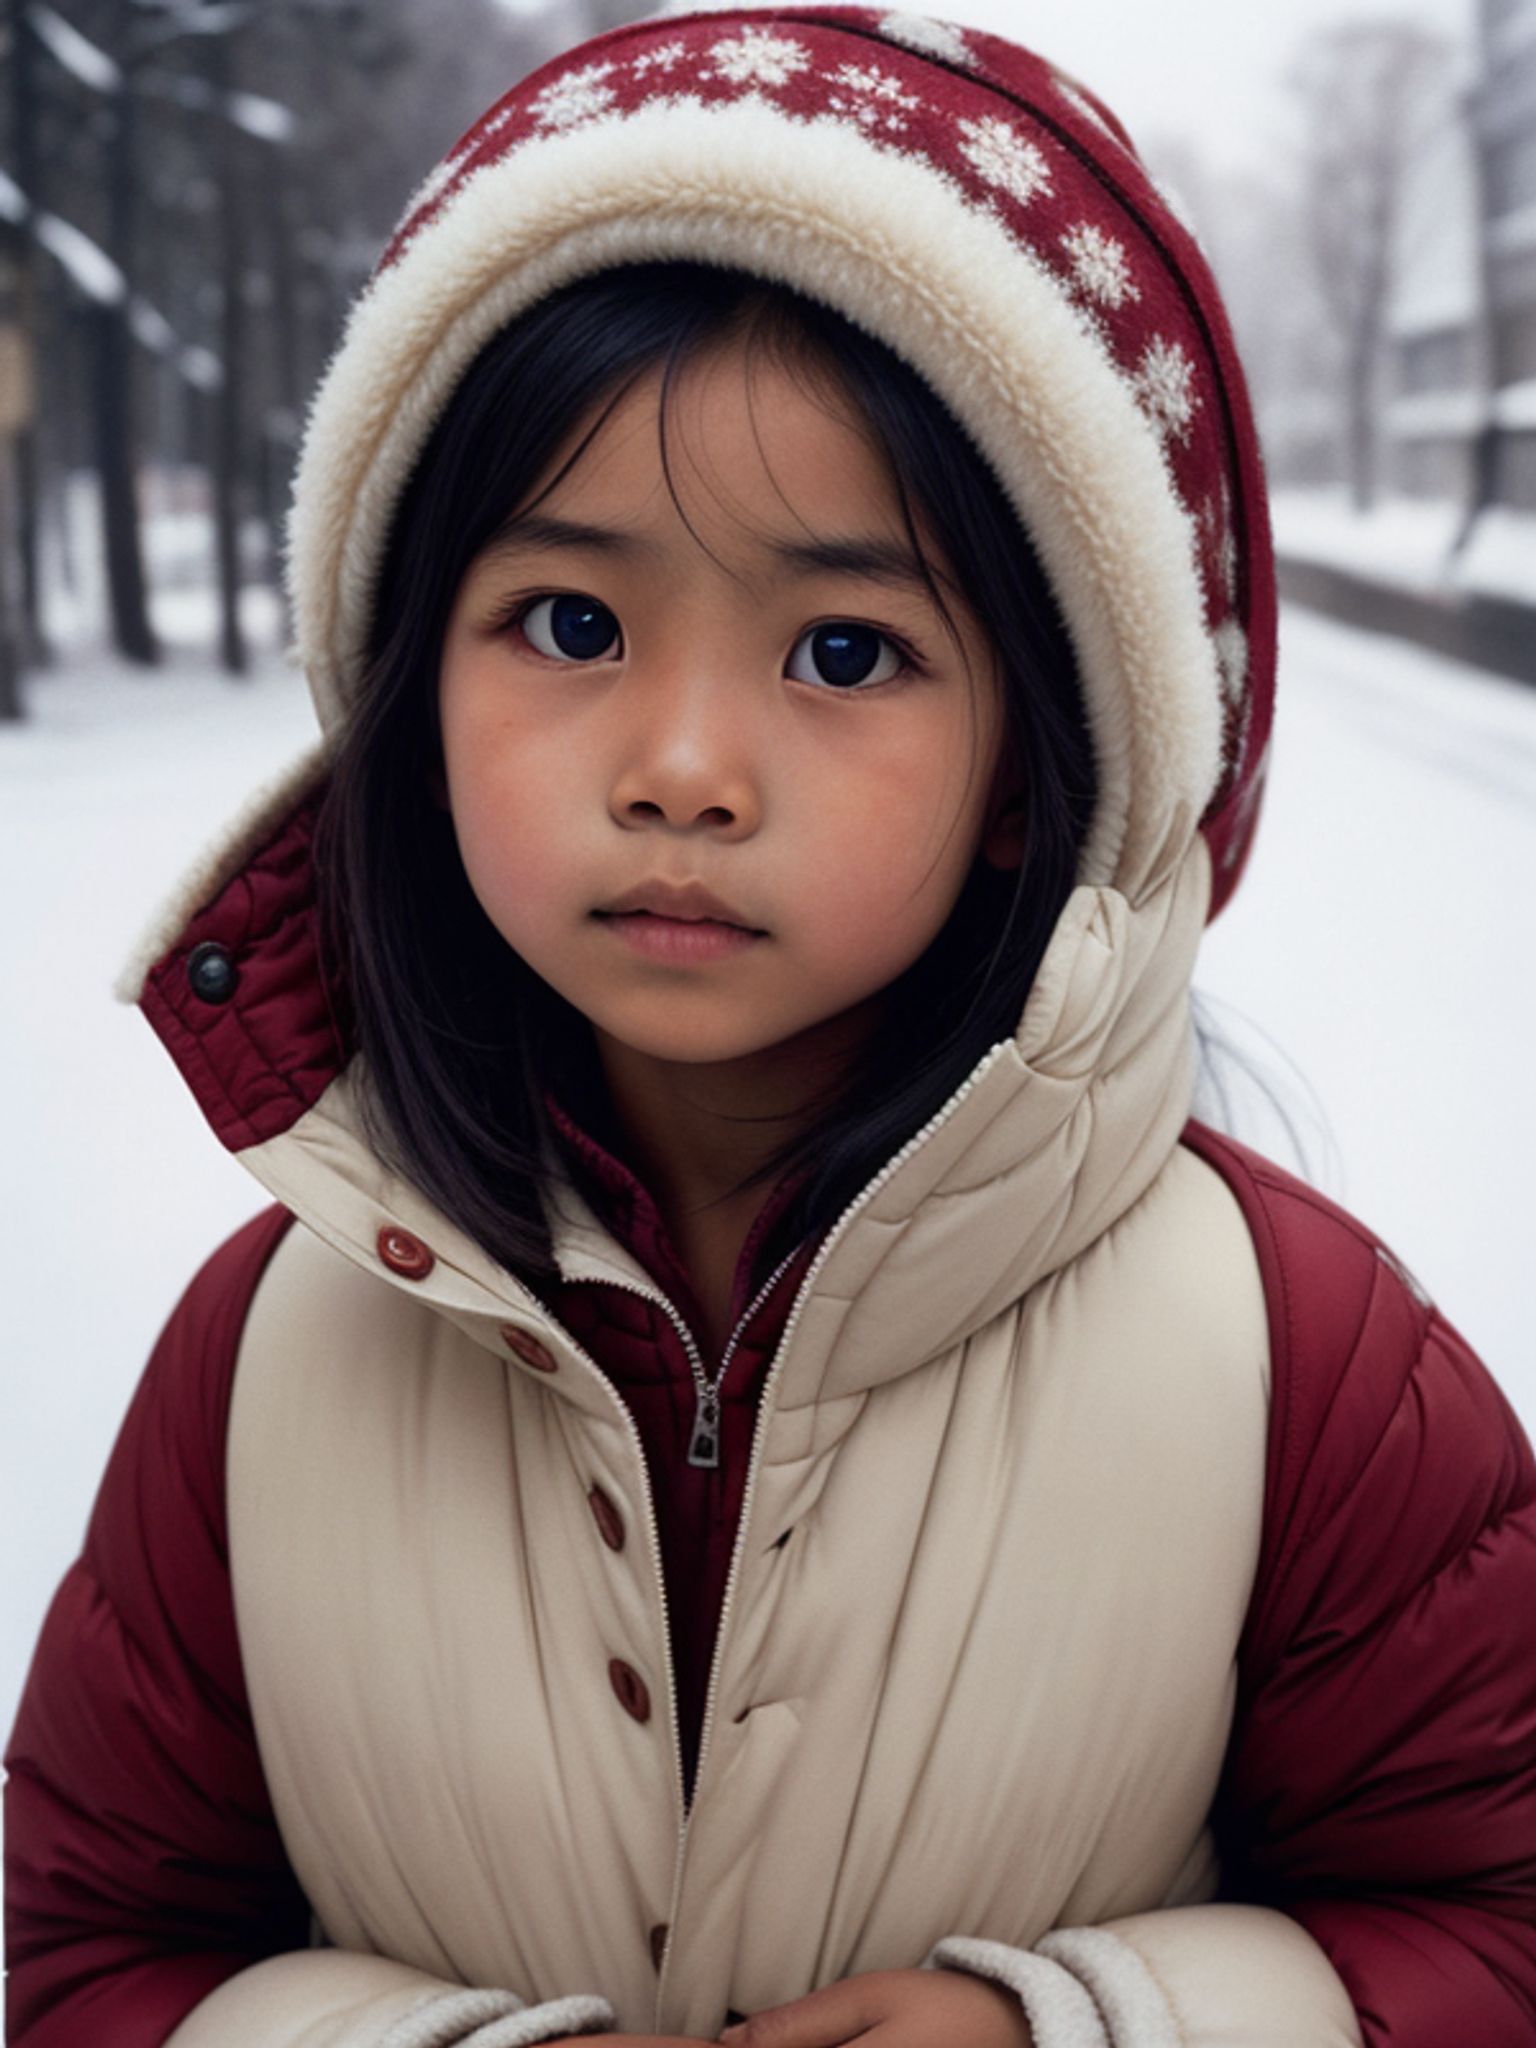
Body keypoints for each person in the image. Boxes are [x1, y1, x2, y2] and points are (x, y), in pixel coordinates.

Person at [6, 8, 1533, 2046]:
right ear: (410, 686)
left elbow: (1494, 1920)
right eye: (572, 621)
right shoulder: (275, 1351)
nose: (686, 767)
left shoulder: (1306, 1365)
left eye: (845, 648)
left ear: (1031, 770)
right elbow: (91, 1952)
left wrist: (1083, 2028)